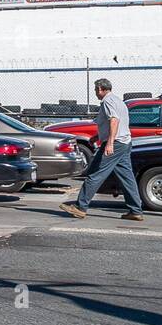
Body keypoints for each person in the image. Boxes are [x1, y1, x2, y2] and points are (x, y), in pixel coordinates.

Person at [60, 79, 144, 221]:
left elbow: (114, 121)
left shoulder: (107, 102)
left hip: (115, 143)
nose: (95, 92)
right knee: (127, 177)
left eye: (95, 89)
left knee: (95, 173)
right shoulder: (119, 101)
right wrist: (97, 137)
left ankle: (81, 207)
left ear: (100, 89)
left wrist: (110, 143)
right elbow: (114, 123)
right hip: (124, 143)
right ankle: (135, 210)